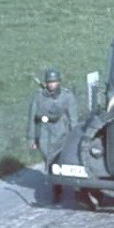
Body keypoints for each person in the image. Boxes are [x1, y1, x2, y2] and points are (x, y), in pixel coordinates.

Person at [27, 67, 78, 203]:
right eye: (49, 82)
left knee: (61, 160)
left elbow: (73, 119)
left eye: (54, 82)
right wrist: (31, 138)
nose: (51, 85)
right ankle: (56, 185)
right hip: (44, 133)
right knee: (49, 160)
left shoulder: (67, 96)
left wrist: (74, 138)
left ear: (59, 82)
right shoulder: (38, 96)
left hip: (62, 133)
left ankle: (61, 186)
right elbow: (31, 118)